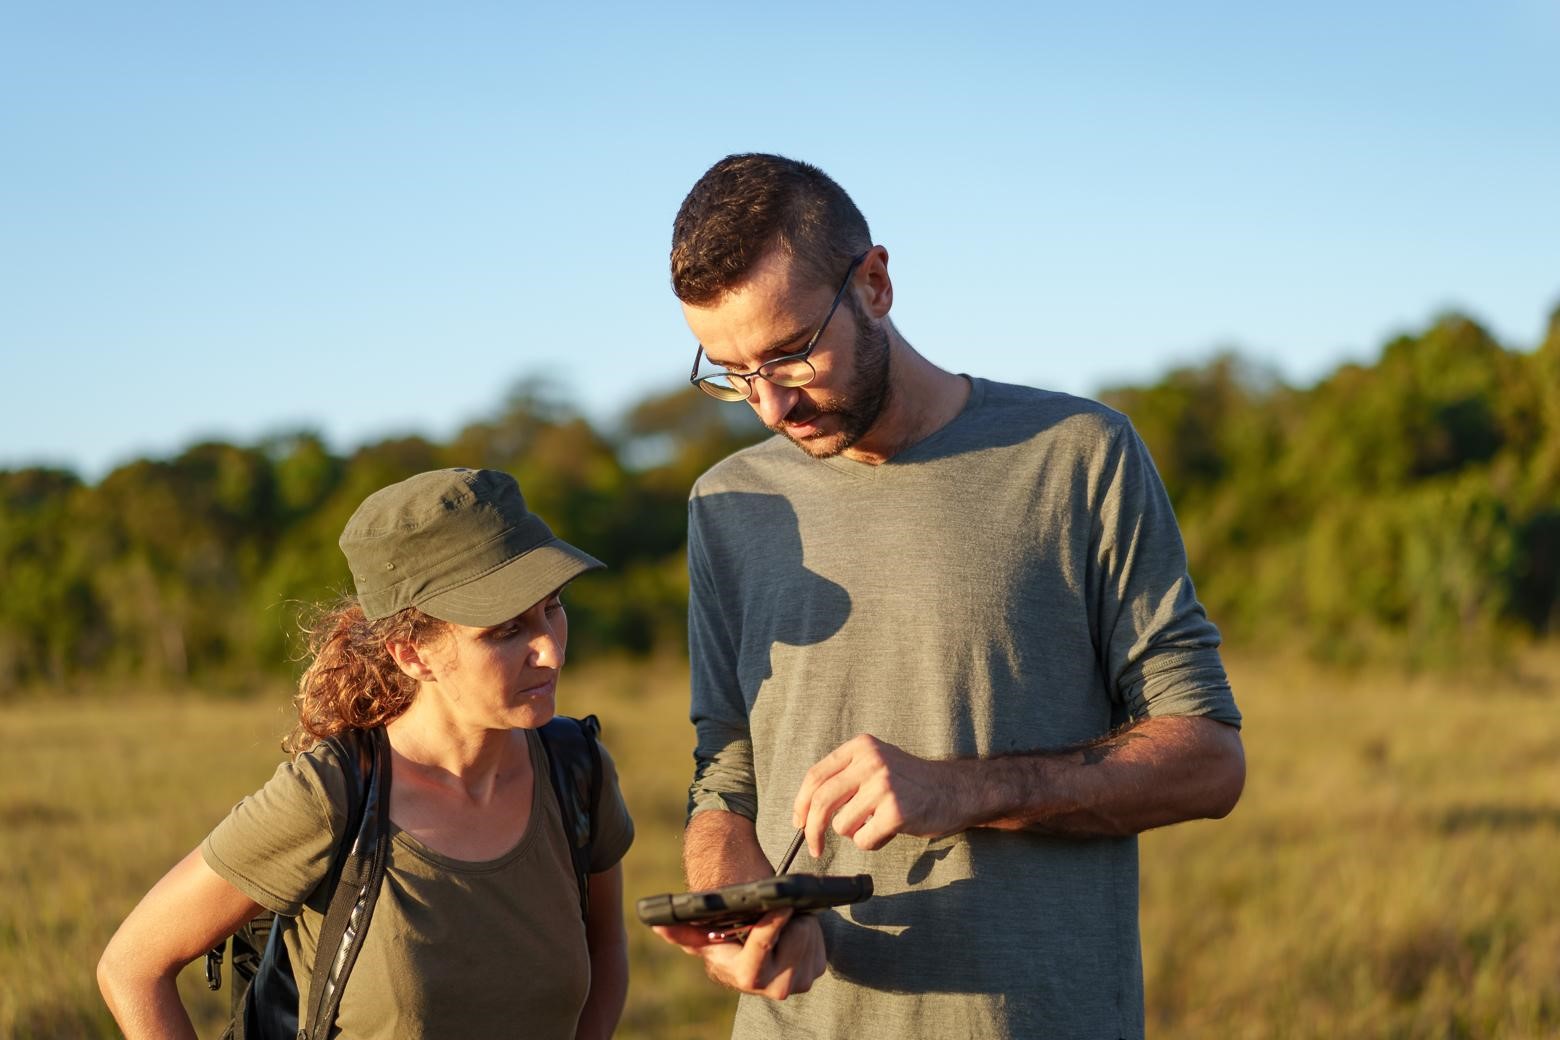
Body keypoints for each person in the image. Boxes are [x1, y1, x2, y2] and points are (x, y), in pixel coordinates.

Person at [652, 154, 1246, 1040]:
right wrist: (735, 914)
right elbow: (727, 765)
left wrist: (960, 791)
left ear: (876, 283)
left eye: (789, 355)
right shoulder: (731, 505)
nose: (769, 406)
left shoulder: (1077, 454)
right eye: (731, 372)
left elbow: (1208, 759)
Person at [98, 467, 634, 1040]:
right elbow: (132, 968)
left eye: (553, 606)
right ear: (412, 654)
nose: (550, 650)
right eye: (506, 630)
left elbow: (605, 953)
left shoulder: (577, 772)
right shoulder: (331, 797)